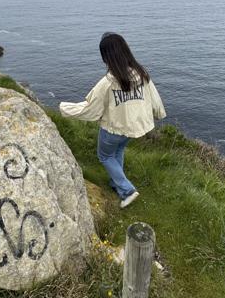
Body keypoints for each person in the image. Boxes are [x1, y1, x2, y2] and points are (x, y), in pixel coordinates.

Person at [59, 32, 166, 209]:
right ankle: (116, 182)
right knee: (117, 152)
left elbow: (90, 109)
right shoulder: (141, 74)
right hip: (133, 128)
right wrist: (159, 113)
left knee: (105, 155)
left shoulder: (108, 82)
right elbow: (154, 98)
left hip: (113, 129)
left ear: (106, 57)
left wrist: (64, 108)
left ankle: (127, 190)